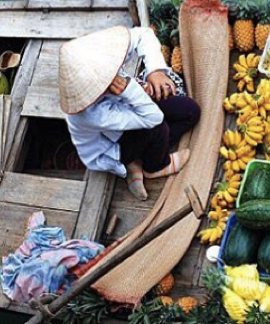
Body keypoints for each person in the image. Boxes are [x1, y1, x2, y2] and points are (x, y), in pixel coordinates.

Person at [58, 25, 200, 200]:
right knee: (158, 129)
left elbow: (143, 34)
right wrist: (129, 89)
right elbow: (152, 118)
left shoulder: (101, 54)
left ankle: (142, 157)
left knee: (190, 111)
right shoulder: (91, 114)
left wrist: (155, 71)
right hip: (114, 145)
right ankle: (153, 166)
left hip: (128, 107)